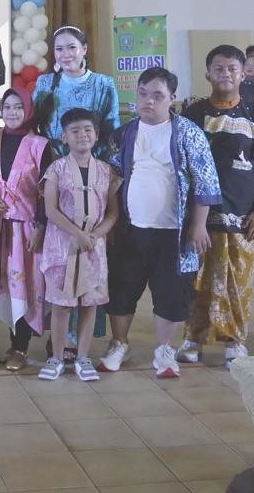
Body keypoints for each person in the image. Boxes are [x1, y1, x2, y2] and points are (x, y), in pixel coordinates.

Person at [97, 67, 221, 378]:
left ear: (172, 98)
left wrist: (198, 225)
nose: (148, 101)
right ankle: (119, 343)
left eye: (157, 96)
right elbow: (112, 179)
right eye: (143, 94)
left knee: (170, 293)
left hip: (174, 233)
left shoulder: (189, 132)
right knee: (122, 288)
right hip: (130, 230)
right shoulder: (123, 134)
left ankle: (164, 349)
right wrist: (111, 222)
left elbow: (205, 180)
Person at [177, 46, 254, 368]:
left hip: (242, 214)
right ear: (208, 73)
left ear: (243, 73)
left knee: (238, 281)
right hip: (200, 215)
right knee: (198, 280)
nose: (226, 74)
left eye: (232, 68)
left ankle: (235, 340)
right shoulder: (194, 114)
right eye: (218, 68)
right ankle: (192, 338)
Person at [39, 108, 120, 381]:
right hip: (63, 245)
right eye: (74, 131)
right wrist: (76, 233)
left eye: (87, 130)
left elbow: (113, 212)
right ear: (64, 137)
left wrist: (95, 235)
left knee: (90, 303)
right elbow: (50, 210)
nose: (82, 135)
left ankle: (83, 357)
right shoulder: (56, 169)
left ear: (96, 135)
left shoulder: (106, 171)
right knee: (62, 305)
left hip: (93, 246)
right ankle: (57, 356)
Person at [0, 88, 53, 371]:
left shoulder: (40, 145)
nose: (12, 112)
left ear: (28, 110)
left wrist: (40, 227)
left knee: (24, 286)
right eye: (7, 107)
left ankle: (21, 347)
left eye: (18, 107)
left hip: (26, 229)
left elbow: (48, 191)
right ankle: (12, 341)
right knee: (3, 287)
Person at [32, 26, 121, 159]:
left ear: (84, 49)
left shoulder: (103, 84)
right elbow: (33, 124)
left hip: (93, 161)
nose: (66, 54)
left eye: (72, 47)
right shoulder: (45, 83)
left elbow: (111, 130)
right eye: (59, 49)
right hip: (51, 161)